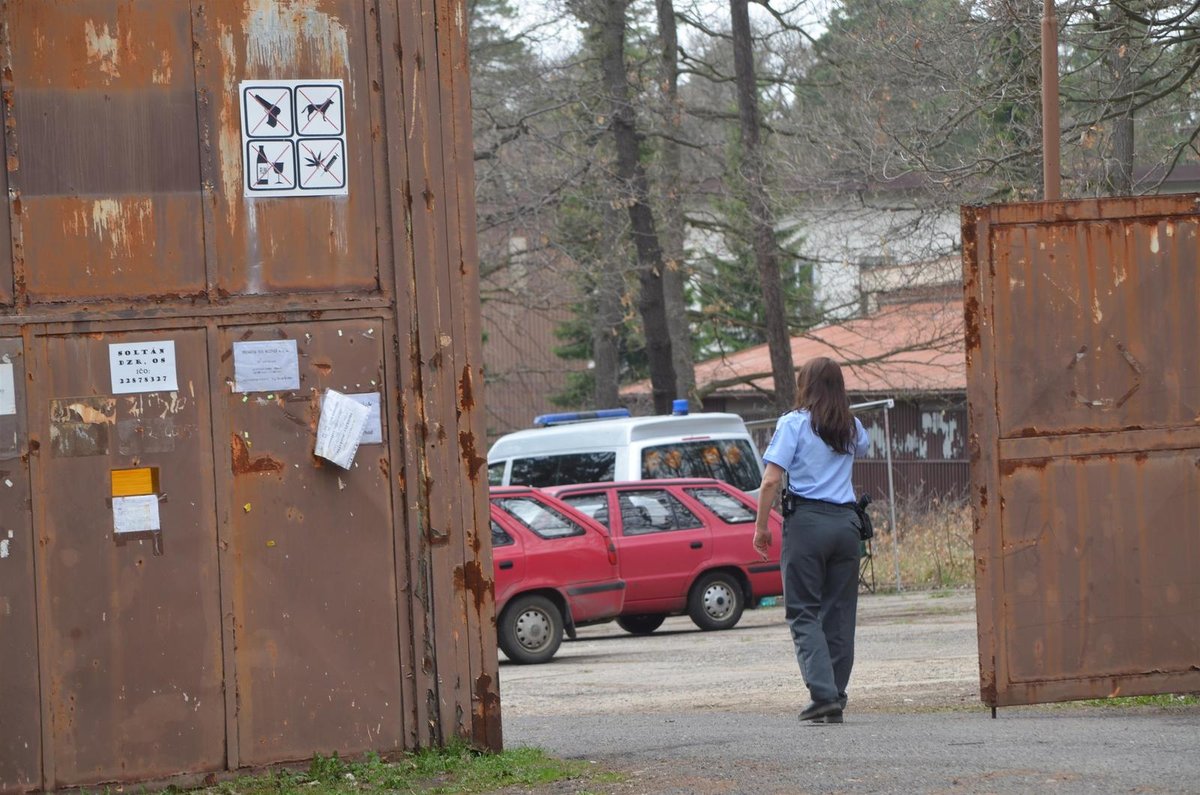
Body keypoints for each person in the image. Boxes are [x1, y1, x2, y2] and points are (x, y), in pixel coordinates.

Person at [753, 356, 870, 724]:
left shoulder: (794, 424)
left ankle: (822, 695)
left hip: (807, 525)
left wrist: (761, 527)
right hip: (847, 526)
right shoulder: (851, 426)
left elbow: (771, 480)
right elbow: (862, 451)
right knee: (839, 614)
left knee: (803, 611)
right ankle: (835, 693)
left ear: (806, 385)